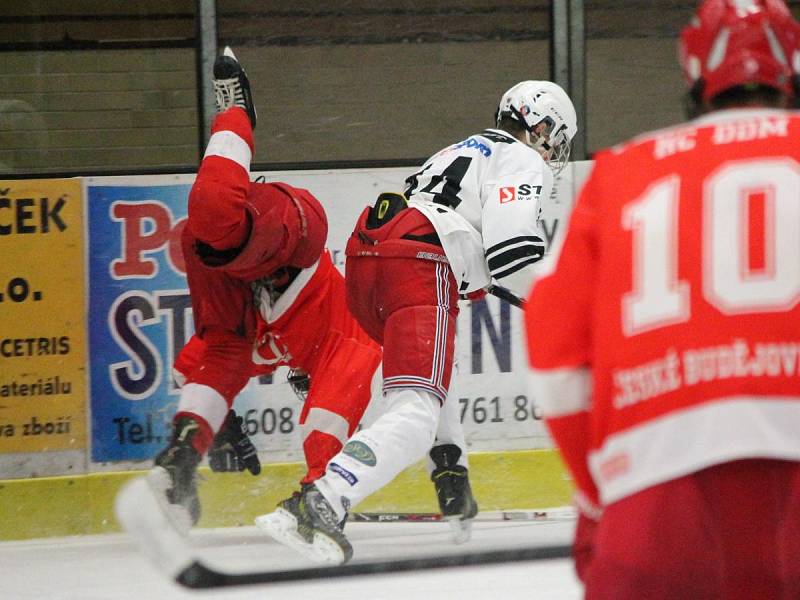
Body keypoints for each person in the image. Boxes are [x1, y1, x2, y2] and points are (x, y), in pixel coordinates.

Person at [524, 1, 800, 597]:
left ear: (693, 75)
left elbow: (555, 361)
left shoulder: (623, 172)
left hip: (660, 518)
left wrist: (604, 498)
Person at [256, 79, 577, 564]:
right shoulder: (522, 158)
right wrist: (572, 305)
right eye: (556, 138)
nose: (555, 151)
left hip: (368, 258)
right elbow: (514, 253)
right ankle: (322, 499)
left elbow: (468, 256)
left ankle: (428, 473)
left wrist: (452, 467)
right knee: (413, 415)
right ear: (543, 125)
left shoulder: (458, 150)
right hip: (420, 264)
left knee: (421, 392)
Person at [142, 47, 381, 532]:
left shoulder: (260, 348)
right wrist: (321, 484)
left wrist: (211, 430)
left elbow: (203, 363)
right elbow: (333, 408)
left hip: (220, 261)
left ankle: (177, 463)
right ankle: (237, 116)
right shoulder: (345, 337)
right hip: (290, 238)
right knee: (218, 213)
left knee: (210, 234)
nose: (302, 385)